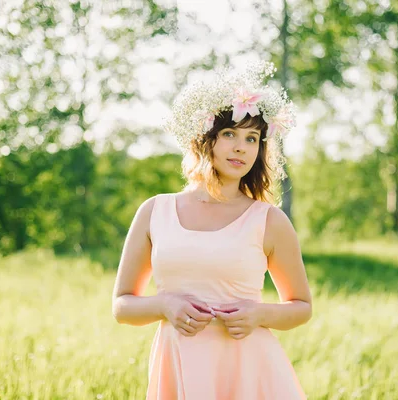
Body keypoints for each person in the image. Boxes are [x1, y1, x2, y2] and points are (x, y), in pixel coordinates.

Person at [112, 62, 312, 399]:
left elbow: (301, 306)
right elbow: (122, 306)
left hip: (249, 371)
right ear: (205, 140)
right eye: (230, 134)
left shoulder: (269, 220)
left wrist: (260, 313)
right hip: (179, 366)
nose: (241, 147)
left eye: (252, 139)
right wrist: (165, 304)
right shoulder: (154, 211)